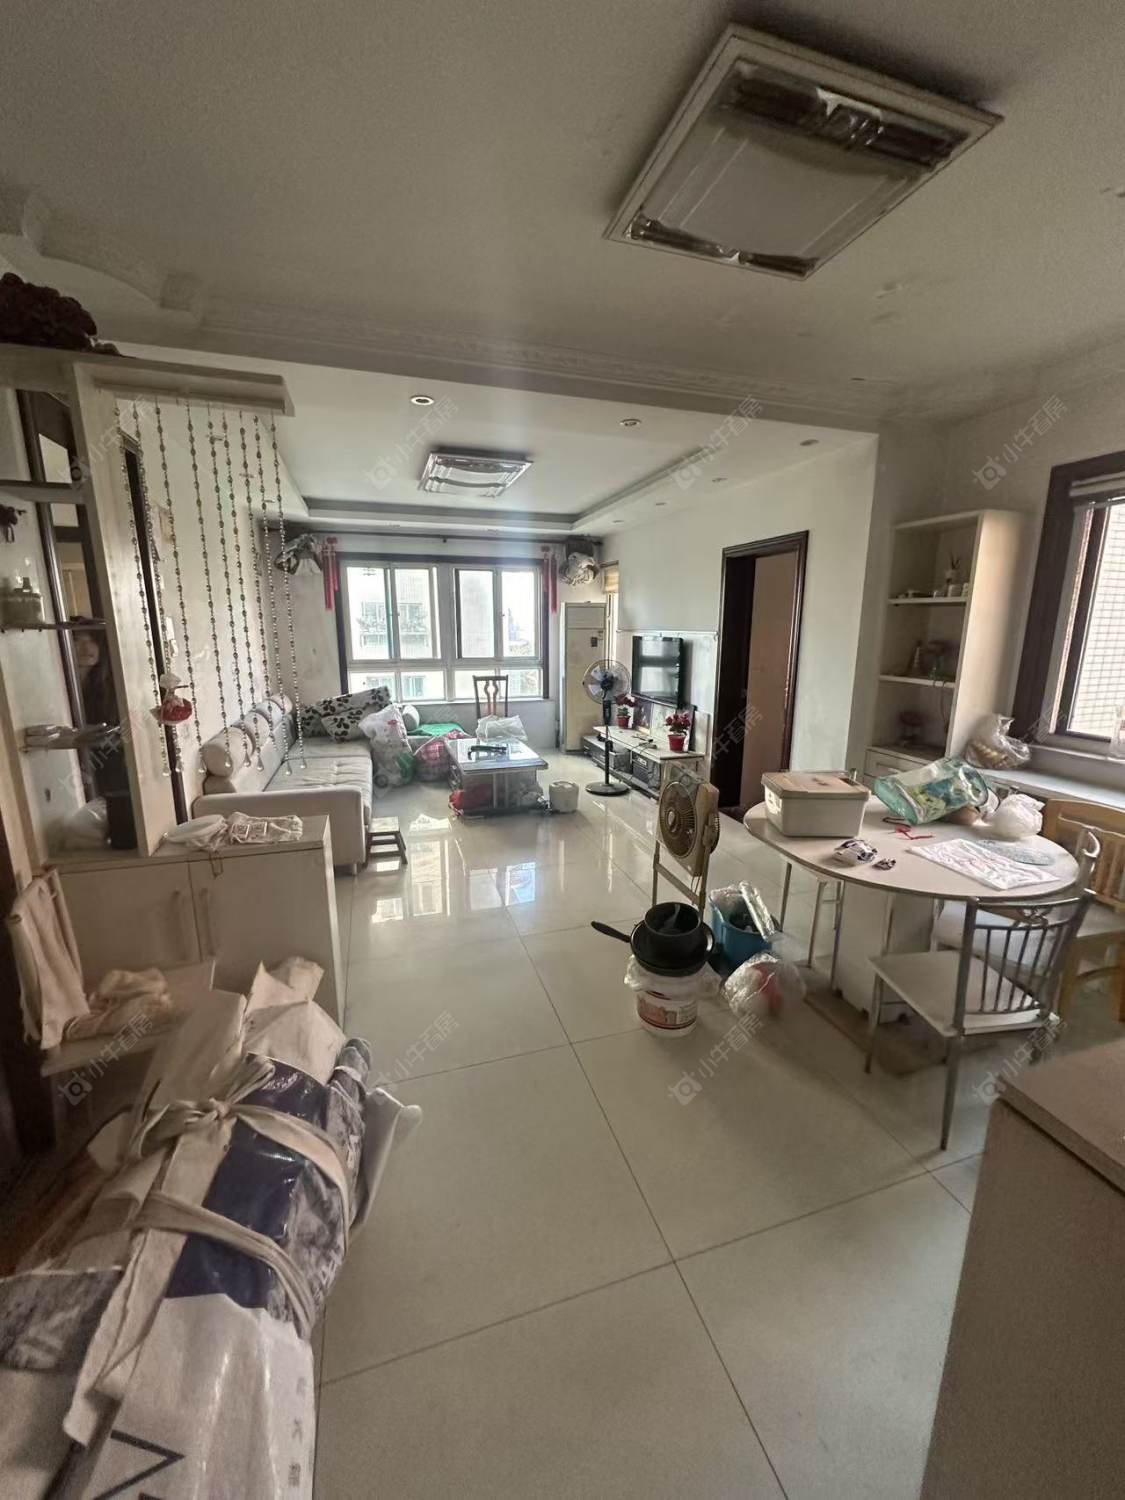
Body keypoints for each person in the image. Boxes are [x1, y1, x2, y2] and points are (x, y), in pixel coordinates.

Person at [71, 619, 127, 795]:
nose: (87, 647)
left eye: (93, 640)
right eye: (78, 640)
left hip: (109, 769)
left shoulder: (109, 687)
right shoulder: (60, 685)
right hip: (72, 763)